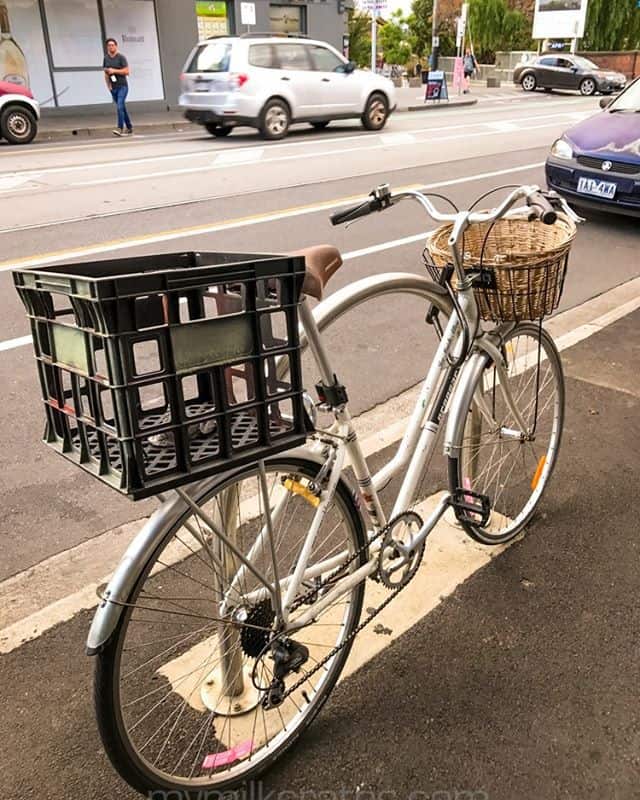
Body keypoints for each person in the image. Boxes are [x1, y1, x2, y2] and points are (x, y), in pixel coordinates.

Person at [103, 38, 132, 136]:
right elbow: (106, 73)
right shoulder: (106, 58)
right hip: (113, 87)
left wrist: (114, 71)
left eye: (112, 45)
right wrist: (108, 86)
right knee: (122, 107)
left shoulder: (121, 57)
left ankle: (120, 128)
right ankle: (129, 127)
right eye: (109, 45)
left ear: (116, 46)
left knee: (119, 106)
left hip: (122, 86)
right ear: (107, 47)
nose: (111, 47)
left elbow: (127, 71)